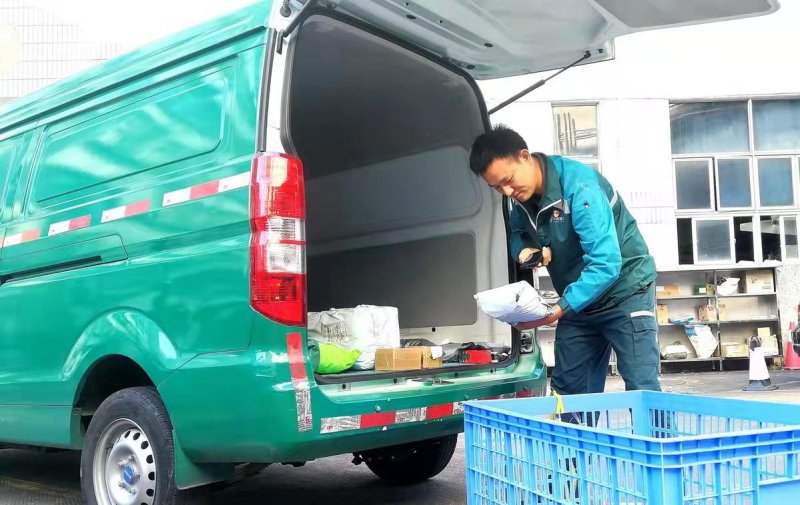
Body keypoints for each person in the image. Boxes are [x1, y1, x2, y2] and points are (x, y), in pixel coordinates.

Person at [469, 125, 661, 394]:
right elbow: (518, 232)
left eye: (508, 180)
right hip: (580, 300)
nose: (508, 191)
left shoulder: (580, 188)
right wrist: (524, 251)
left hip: (625, 291)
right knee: (569, 392)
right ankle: (575, 423)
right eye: (497, 187)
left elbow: (606, 264)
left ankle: (648, 422)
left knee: (642, 390)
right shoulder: (521, 199)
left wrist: (553, 312)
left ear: (524, 156)